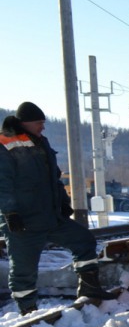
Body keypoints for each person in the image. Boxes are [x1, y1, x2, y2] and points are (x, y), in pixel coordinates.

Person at [0, 101, 115, 315]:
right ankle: (28, 312)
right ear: (25, 123)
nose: (42, 127)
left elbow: (54, 178)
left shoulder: (40, 143)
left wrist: (63, 201)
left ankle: (90, 288)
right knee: (23, 270)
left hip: (50, 216)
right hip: (23, 221)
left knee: (84, 241)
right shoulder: (4, 145)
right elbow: (2, 183)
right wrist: (10, 213)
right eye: (39, 123)